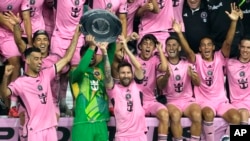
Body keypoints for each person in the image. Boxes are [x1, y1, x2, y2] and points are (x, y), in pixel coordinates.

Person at [173, 3, 241, 141]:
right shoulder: (196, 59)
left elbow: (227, 43)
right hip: (204, 102)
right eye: (203, 45)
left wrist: (233, 22)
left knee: (236, 117)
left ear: (213, 47)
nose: (206, 47)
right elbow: (188, 51)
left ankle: (231, 138)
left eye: (209, 44)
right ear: (200, 49)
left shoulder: (220, 57)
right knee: (208, 114)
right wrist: (179, 34)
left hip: (221, 101)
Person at [0, 24, 80, 140]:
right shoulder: (20, 82)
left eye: (40, 59)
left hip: (50, 128)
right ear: (27, 60)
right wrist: (6, 77)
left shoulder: (46, 74)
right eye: (36, 59)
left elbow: (67, 58)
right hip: (33, 130)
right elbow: (4, 94)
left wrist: (76, 36)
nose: (40, 62)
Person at [69, 35, 116, 141]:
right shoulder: (74, 73)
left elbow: (112, 51)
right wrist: (91, 47)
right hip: (83, 123)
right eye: (87, 54)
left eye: (94, 53)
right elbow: (81, 69)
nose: (92, 56)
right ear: (81, 57)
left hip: (101, 123)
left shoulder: (101, 69)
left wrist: (109, 34)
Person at [157, 36, 202, 141]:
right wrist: (166, 76)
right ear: (165, 48)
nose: (171, 48)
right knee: (175, 115)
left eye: (174, 45)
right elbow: (160, 86)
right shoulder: (162, 65)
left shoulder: (187, 63)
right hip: (171, 101)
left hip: (187, 100)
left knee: (197, 114)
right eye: (168, 45)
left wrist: (193, 76)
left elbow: (198, 83)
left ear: (179, 48)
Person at [105, 36, 147, 140]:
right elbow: (107, 74)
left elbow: (139, 67)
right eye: (123, 73)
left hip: (140, 135)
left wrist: (126, 48)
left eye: (128, 72)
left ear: (132, 74)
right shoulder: (114, 90)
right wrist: (105, 54)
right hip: (122, 136)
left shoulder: (137, 85)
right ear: (118, 75)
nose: (126, 75)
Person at [135, 34, 169, 140]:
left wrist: (159, 49)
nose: (148, 46)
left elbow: (164, 67)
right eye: (145, 44)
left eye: (151, 44)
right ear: (140, 47)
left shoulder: (155, 60)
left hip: (151, 101)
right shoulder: (133, 59)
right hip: (136, 102)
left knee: (164, 114)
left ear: (154, 48)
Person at [226, 36, 250, 125]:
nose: (245, 50)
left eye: (248, 48)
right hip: (237, 102)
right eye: (243, 47)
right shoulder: (229, 63)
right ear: (239, 47)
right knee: (244, 113)